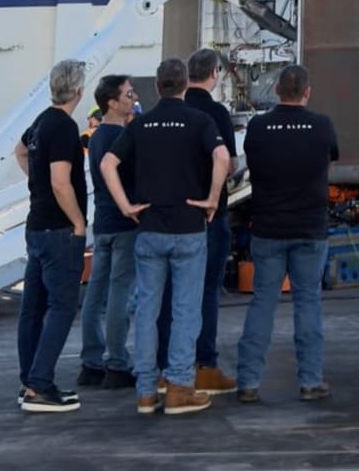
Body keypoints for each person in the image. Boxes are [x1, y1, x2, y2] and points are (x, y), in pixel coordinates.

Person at [102, 56, 230, 418]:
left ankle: (146, 392)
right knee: (186, 310)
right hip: (189, 228)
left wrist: (126, 206)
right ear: (186, 84)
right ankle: (179, 388)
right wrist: (212, 198)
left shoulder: (140, 124)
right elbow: (222, 157)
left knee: (147, 309)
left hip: (150, 228)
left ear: (157, 88)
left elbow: (107, 163)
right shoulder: (200, 120)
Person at [236, 63, 339, 403]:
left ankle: (248, 382)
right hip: (310, 227)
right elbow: (330, 160)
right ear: (307, 92)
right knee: (307, 302)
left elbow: (251, 163)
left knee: (263, 302)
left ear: (277, 90)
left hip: (268, 227)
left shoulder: (259, 126)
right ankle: (310, 381)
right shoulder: (322, 125)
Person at [12, 58, 89, 413]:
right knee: (62, 307)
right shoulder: (64, 127)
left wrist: (36, 180)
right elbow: (61, 181)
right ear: (79, 90)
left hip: (36, 226)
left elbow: (20, 151)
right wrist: (78, 222)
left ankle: (29, 380)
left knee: (33, 308)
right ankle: (40, 385)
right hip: (59, 230)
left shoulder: (42, 121)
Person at [184, 47, 240, 395]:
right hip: (210, 211)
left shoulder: (175, 108)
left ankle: (169, 367)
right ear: (214, 73)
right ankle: (205, 364)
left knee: (172, 294)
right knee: (206, 292)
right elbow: (228, 162)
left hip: (174, 215)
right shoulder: (216, 113)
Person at [78, 74, 139, 390]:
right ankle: (116, 362)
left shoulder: (96, 137)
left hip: (102, 222)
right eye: (128, 94)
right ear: (112, 103)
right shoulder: (124, 139)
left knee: (96, 292)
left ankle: (90, 362)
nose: (134, 98)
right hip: (125, 223)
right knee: (120, 293)